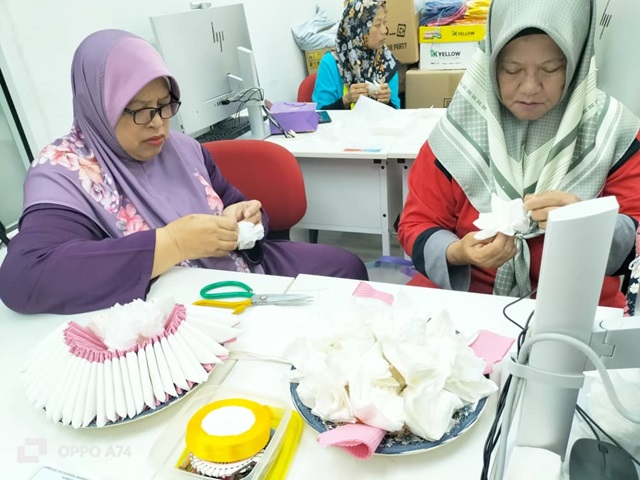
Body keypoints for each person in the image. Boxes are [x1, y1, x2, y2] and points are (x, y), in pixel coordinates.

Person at [0, 29, 368, 315]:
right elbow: (25, 277)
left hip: (239, 270)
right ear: (97, 106)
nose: (158, 123)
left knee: (346, 269)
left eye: (165, 105)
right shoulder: (66, 171)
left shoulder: (181, 148)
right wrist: (173, 244)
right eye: (138, 110)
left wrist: (246, 218)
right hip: (170, 306)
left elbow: (237, 204)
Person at [398, 0, 640, 308]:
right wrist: (457, 252)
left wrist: (590, 223)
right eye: (511, 69)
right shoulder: (460, 129)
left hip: (578, 307)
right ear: (490, 63)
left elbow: (636, 233)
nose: (529, 87)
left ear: (576, 63)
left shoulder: (612, 133)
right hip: (467, 302)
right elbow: (416, 222)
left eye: (550, 69)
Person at [312, 0, 400, 110]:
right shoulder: (331, 63)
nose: (384, 30)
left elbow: (397, 113)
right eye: (377, 25)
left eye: (385, 23)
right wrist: (346, 100)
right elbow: (320, 114)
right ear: (358, 28)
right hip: (342, 122)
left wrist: (387, 101)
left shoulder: (387, 61)